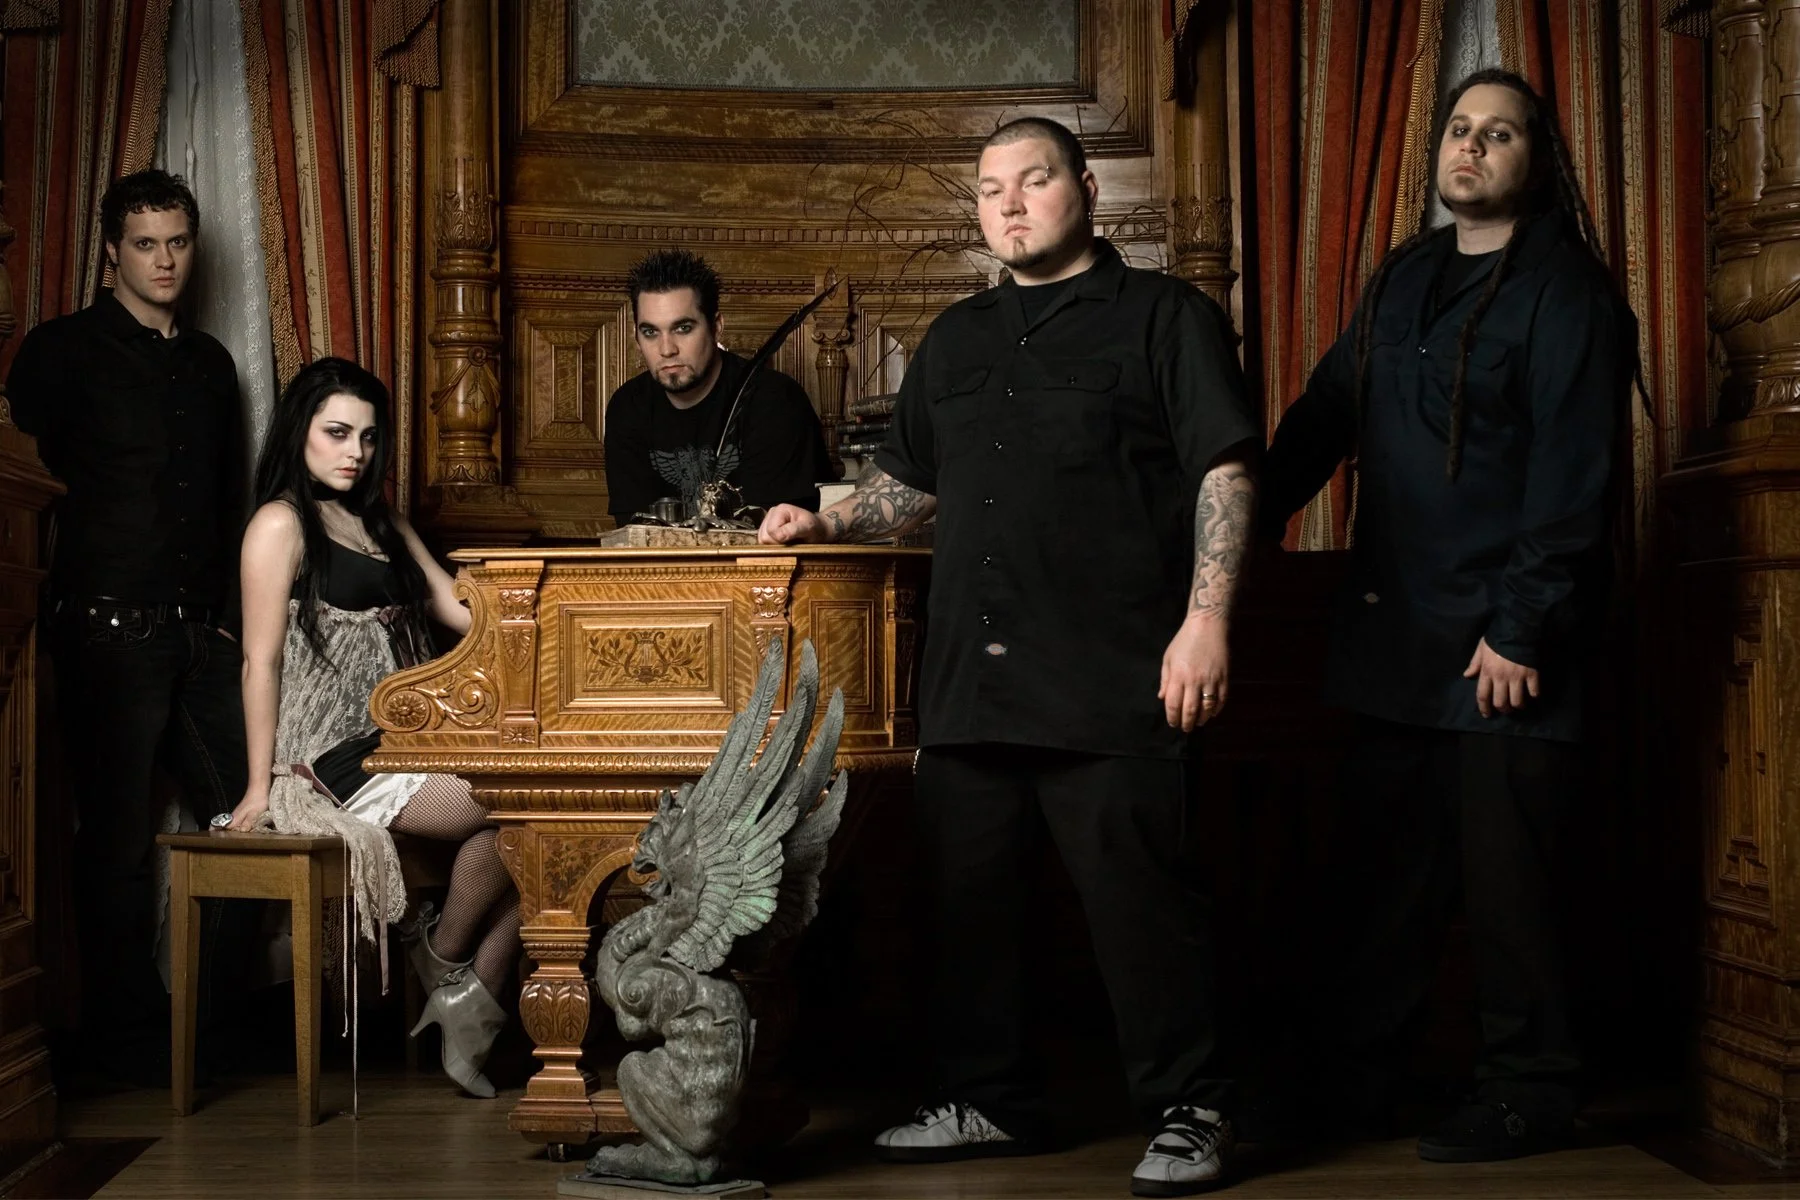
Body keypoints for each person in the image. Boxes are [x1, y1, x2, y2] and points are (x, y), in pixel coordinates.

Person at [761, 117, 1259, 1196]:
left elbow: (1225, 472)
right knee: (969, 905)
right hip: (970, 682)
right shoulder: (959, 336)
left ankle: (1192, 1108)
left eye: (1034, 180)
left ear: (1084, 188)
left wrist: (1206, 620)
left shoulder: (1165, 318)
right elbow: (914, 486)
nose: (1013, 203)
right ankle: (993, 1100)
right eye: (992, 190)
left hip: (1115, 670)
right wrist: (830, 522)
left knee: (1142, 912)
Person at [1258, 70, 1638, 1162]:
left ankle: (1533, 1088)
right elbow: (1324, 416)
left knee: (1513, 893)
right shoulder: (1405, 277)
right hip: (1398, 638)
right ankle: (1360, 1086)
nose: (1472, 148)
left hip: (1506, 647)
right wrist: (1235, 514)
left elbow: (1576, 478)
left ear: (1537, 159)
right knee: (1383, 882)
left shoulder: (1568, 293)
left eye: (1500, 133)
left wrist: (1522, 627)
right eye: (1460, 130)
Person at [7, 169, 248, 1083]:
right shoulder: (60, 351)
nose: (164, 260)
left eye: (177, 242)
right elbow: (19, 482)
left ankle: (209, 1028)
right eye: (145, 243)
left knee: (248, 821)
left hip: (199, 637)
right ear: (112, 251)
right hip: (104, 632)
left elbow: (228, 501)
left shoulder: (213, 364)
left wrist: (227, 627)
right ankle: (124, 1041)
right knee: (109, 842)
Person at [225, 357, 521, 1098]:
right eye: (336, 433)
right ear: (300, 434)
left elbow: (456, 608)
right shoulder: (279, 524)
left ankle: (454, 976)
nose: (353, 451)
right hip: (333, 755)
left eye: (366, 435)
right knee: (525, 797)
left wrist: (552, 614)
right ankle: (452, 969)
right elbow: (259, 663)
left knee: (545, 828)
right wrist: (259, 787)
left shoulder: (381, 520)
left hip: (407, 738)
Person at [604, 248, 831, 523]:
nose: (666, 349)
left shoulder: (776, 401)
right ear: (636, 336)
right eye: (650, 332)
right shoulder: (627, 408)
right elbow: (634, 530)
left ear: (716, 327)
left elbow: (777, 531)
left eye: (683, 328)